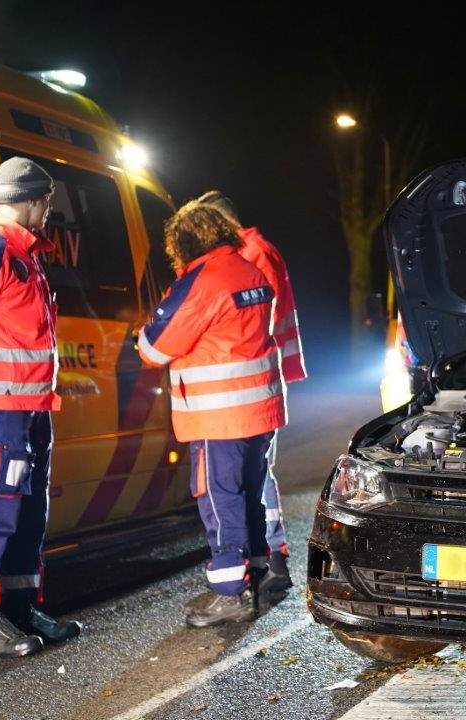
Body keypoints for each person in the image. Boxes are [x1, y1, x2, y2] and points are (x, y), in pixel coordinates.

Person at [138, 201, 286, 627]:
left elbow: (155, 348)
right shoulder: (250, 272)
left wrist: (144, 333)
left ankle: (229, 593)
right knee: (249, 494)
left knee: (219, 501)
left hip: (216, 417)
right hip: (259, 411)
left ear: (183, 242)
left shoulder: (199, 282)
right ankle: (257, 574)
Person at [0, 157, 80, 656]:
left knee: (28, 510)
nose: (49, 212)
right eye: (47, 202)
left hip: (29, 406)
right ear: (31, 200)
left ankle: (17, 605)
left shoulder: (26, 252)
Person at [195, 190, 304, 598]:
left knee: (255, 477)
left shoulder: (249, 255)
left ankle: (272, 557)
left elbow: (247, 324)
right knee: (255, 474)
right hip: (260, 380)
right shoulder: (259, 249)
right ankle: (269, 559)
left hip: (252, 385)